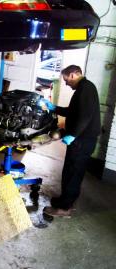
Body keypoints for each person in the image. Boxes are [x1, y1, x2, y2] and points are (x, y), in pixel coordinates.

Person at [41, 65, 100, 217]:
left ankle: (64, 208)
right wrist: (54, 108)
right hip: (81, 139)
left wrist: (73, 134)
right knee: (70, 171)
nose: (66, 83)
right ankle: (64, 200)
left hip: (82, 140)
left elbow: (85, 116)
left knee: (73, 173)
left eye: (66, 80)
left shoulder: (86, 89)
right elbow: (72, 111)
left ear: (73, 75)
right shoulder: (83, 88)